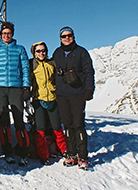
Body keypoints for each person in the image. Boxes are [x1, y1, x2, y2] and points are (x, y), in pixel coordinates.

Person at [0, 22, 30, 166]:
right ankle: (8, 151)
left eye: (9, 33)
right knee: (3, 121)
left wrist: (26, 87)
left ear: (13, 34)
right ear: (0, 34)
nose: (6, 36)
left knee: (19, 120)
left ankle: (24, 152)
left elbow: (25, 69)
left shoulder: (20, 49)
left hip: (16, 88)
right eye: (4, 33)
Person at [52, 27, 95, 170]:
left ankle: (83, 156)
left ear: (73, 36)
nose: (67, 38)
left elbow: (89, 71)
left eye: (69, 35)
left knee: (78, 125)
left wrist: (89, 89)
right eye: (64, 36)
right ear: (60, 38)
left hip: (78, 94)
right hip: (62, 95)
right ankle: (71, 154)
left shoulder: (81, 52)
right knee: (68, 125)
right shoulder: (57, 53)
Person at [29, 42, 67, 165]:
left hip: (52, 98)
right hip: (38, 99)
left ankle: (63, 150)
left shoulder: (52, 64)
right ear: (34, 53)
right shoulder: (32, 65)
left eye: (43, 50)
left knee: (56, 126)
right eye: (38, 51)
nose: (41, 53)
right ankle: (43, 155)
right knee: (40, 128)